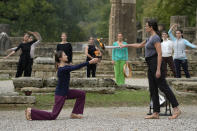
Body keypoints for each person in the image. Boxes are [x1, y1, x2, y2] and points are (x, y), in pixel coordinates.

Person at [121, 20, 181, 119]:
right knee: (153, 88)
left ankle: (176, 109)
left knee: (163, 87)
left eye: (146, 26)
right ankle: (156, 112)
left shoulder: (156, 38)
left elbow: (160, 54)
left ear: (151, 27)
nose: (145, 28)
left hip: (156, 64)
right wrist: (126, 45)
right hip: (150, 64)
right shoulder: (150, 38)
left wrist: (158, 69)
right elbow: (139, 45)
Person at [25, 51, 99, 120]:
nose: (66, 56)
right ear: (60, 58)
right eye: (64, 55)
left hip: (66, 92)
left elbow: (74, 66)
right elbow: (76, 67)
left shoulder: (64, 67)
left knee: (81, 94)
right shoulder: (62, 69)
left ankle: (74, 114)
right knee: (53, 116)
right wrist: (89, 62)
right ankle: (31, 111)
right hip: (60, 95)